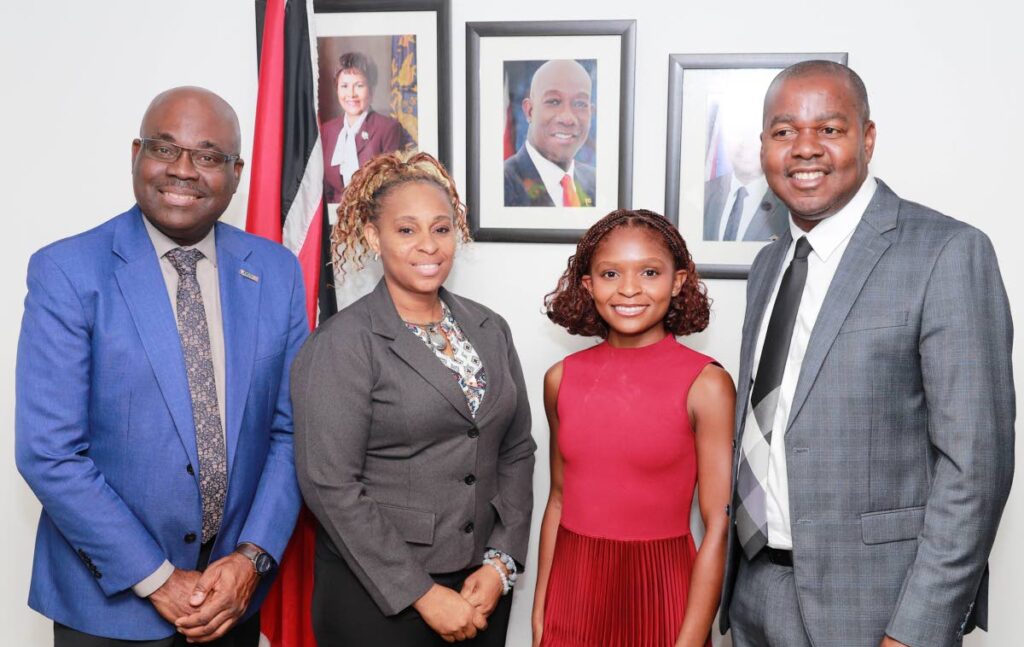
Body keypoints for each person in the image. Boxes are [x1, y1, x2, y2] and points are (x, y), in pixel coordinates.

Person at [720, 60, 1014, 647]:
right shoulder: (769, 263)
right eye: (784, 133)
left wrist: (918, 629)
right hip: (753, 592)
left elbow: (975, 467)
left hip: (878, 607)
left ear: (868, 137)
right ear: (764, 147)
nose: (805, 149)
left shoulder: (948, 253)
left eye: (829, 129)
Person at [14, 87, 308, 646]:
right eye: (165, 148)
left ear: (237, 172)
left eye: (208, 155)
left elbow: (292, 433)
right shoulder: (68, 272)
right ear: (135, 154)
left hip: (231, 604)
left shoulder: (276, 272)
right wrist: (158, 578)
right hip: (107, 608)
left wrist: (251, 559)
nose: (184, 170)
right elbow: (48, 451)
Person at [292, 151, 536, 645]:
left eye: (441, 229)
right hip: (380, 597)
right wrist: (421, 593)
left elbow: (516, 449)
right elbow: (329, 484)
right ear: (371, 236)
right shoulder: (344, 342)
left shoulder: (490, 329)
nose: (429, 245)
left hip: (481, 588)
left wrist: (501, 561)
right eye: (406, 230)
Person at [534, 209, 735, 647]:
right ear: (588, 285)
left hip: (664, 592)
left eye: (649, 272)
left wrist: (690, 639)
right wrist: (540, 616)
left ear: (678, 281)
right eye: (610, 273)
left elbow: (719, 524)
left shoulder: (707, 384)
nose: (629, 289)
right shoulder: (560, 379)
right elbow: (558, 499)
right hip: (575, 595)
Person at [320, 51, 412, 204]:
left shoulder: (388, 128)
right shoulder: (327, 130)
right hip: (334, 219)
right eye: (344, 86)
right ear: (337, 89)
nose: (351, 94)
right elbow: (325, 188)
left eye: (359, 86)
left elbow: (392, 189)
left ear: (371, 89)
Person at [504, 59, 596, 208]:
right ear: (529, 111)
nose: (567, 118)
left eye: (580, 104)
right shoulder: (501, 185)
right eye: (554, 101)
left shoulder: (598, 184)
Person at [703, 99, 787, 242]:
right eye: (738, 133)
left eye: (755, 135)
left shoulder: (789, 201)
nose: (746, 144)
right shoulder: (705, 193)